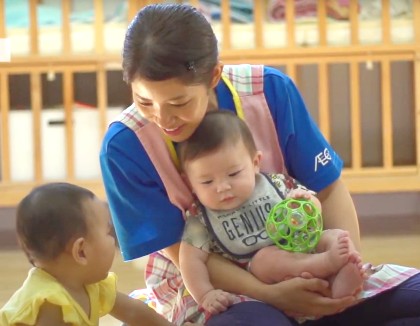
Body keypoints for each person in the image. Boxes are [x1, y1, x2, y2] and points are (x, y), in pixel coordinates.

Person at [99, 3, 420, 325]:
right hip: (213, 285)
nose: (163, 118)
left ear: (213, 76)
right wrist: (273, 295)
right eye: (145, 102)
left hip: (303, 260)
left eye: (179, 102)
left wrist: (343, 274)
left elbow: (327, 189)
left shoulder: (269, 90)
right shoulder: (125, 147)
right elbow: (186, 254)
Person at [177, 110, 365, 316]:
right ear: (190, 183)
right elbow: (189, 261)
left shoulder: (275, 184)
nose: (222, 187)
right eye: (207, 182)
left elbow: (311, 210)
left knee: (332, 236)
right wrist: (205, 294)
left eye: (233, 174)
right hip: (262, 271)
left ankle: (342, 280)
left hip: (301, 244)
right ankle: (326, 264)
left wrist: (308, 202)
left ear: (256, 163)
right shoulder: (201, 219)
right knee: (265, 258)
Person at [0, 183, 199, 326]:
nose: (113, 240)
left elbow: (133, 312)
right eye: (107, 232)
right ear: (81, 251)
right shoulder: (49, 304)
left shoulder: (89, 283)